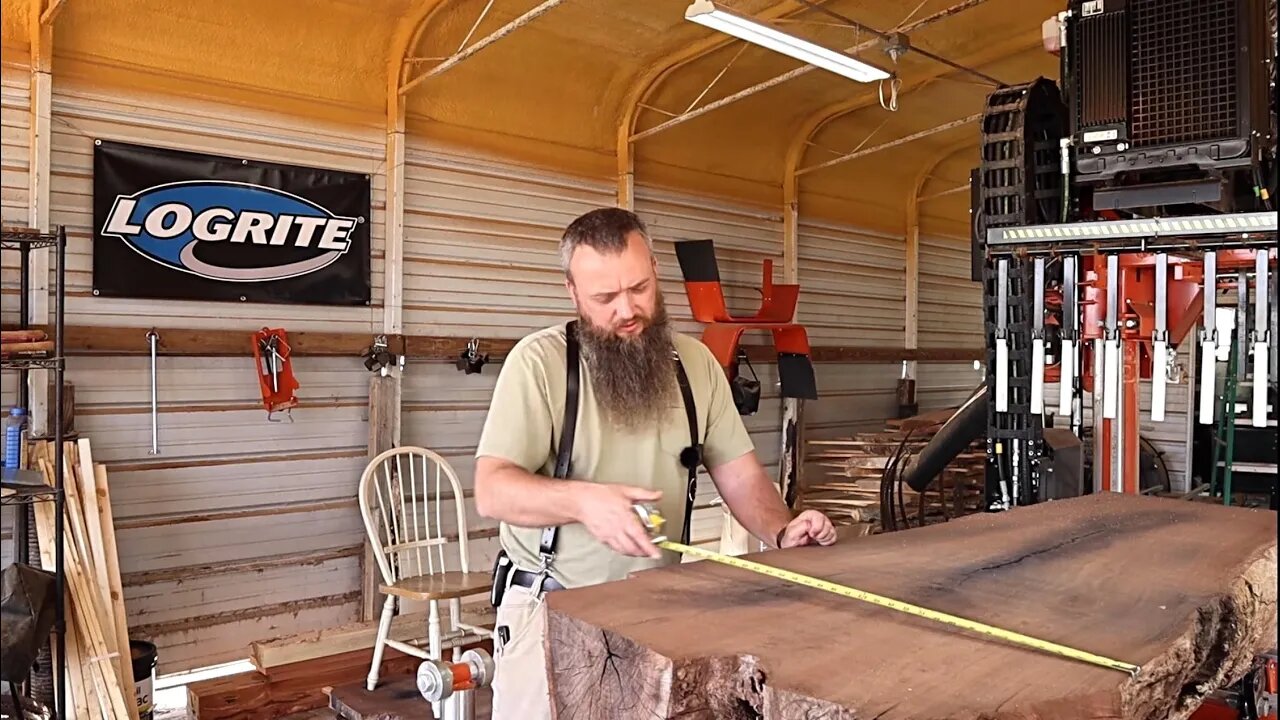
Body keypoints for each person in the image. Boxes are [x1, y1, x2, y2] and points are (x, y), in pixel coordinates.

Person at [473, 207, 837, 719]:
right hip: (551, 614)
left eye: (639, 288)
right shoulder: (539, 364)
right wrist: (583, 501)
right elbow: (494, 490)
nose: (627, 310)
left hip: (659, 616)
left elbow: (743, 479)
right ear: (572, 293)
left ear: (656, 274)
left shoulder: (696, 367)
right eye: (604, 298)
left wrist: (782, 532)